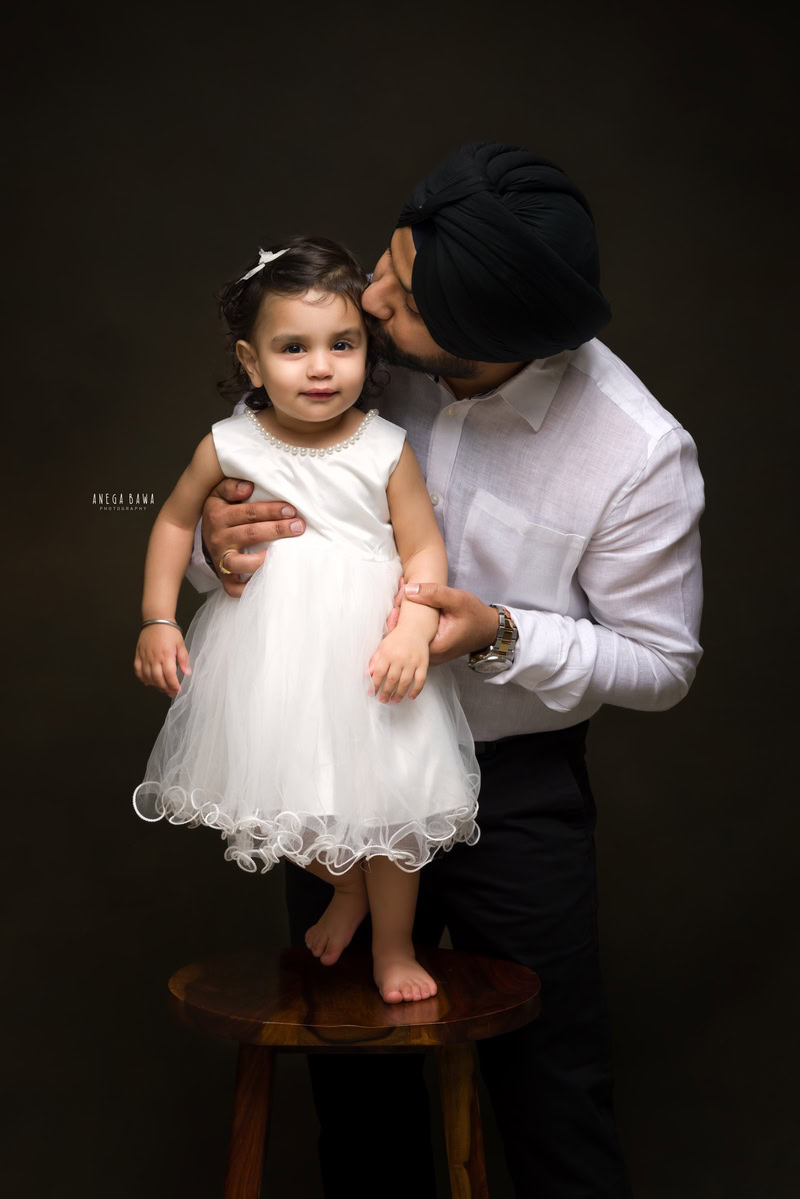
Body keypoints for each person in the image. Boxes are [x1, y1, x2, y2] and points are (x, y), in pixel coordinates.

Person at [188, 142, 705, 1198]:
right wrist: (217, 544)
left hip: (514, 790)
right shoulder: (343, 350)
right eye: (387, 259)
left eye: (400, 294)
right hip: (339, 764)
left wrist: (499, 631)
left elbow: (662, 661)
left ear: (488, 337)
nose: (369, 298)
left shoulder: (634, 449)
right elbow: (213, 513)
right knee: (355, 1090)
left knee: (552, 1088)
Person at [132, 235, 480, 1005]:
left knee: (393, 804)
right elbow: (169, 524)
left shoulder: (386, 447)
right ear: (252, 363)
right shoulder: (229, 443)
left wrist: (413, 628)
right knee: (277, 797)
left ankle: (393, 945)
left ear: (366, 348)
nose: (322, 367)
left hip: (369, 654)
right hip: (273, 656)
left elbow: (424, 549)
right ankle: (346, 888)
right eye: (294, 347)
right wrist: (159, 618)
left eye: (343, 344)